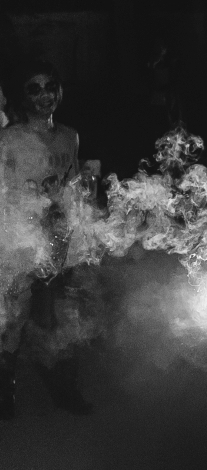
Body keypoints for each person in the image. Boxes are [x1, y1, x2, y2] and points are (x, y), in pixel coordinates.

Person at [0, 59, 93, 419]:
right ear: (23, 97)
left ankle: (65, 388)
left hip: (59, 238)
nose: (44, 95)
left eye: (49, 86)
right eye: (34, 88)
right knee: (15, 316)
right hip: (19, 239)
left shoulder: (69, 136)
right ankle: (4, 393)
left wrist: (76, 229)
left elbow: (72, 189)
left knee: (62, 314)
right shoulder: (9, 140)